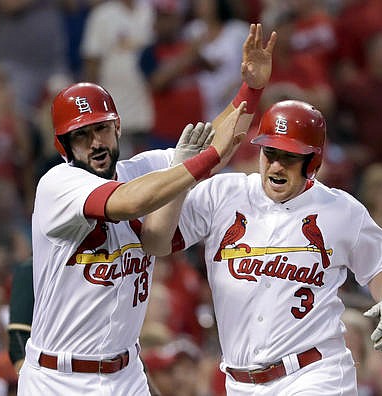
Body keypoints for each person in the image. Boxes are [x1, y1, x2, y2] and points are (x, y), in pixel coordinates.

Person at [16, 23, 277, 396]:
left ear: (118, 127)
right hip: (60, 377)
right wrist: (197, 165)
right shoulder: (58, 185)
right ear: (64, 147)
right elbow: (132, 201)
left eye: (101, 129)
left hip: (125, 372)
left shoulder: (143, 168)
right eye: (81, 136)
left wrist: (250, 89)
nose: (95, 143)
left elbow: (211, 142)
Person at [141, 99, 382, 394]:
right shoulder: (223, 192)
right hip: (240, 382)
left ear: (313, 162)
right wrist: (181, 174)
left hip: (314, 374)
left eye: (289, 156)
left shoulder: (341, 210)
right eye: (270, 152)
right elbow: (156, 242)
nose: (277, 164)